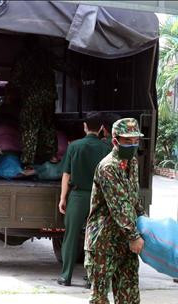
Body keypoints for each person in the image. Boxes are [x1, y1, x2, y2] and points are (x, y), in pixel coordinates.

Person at [84, 118, 150, 304]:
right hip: (103, 239)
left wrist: (144, 221)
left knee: (129, 289)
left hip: (125, 239)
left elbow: (132, 198)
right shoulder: (108, 167)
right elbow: (119, 205)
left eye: (136, 140)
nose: (133, 144)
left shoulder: (130, 163)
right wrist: (133, 234)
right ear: (115, 141)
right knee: (100, 290)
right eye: (128, 141)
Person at [57, 112, 112, 286]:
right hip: (98, 197)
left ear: (85, 127)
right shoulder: (107, 149)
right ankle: (90, 278)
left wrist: (62, 198)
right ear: (102, 128)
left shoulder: (74, 146)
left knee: (71, 236)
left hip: (78, 196)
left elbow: (66, 175)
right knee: (95, 237)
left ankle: (66, 276)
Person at [9, 37, 58, 167]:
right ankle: (51, 156)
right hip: (48, 97)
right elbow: (62, 65)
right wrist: (78, 75)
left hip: (31, 99)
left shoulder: (23, 58)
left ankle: (28, 162)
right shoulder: (46, 55)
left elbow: (14, 80)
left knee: (30, 128)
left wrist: (19, 92)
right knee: (48, 125)